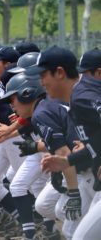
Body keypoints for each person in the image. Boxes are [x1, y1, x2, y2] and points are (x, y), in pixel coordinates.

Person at [25, 45, 101, 239]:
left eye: (43, 75)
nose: (41, 83)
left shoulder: (82, 96)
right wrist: (68, 161)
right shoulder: (78, 98)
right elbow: (94, 144)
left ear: (59, 72)